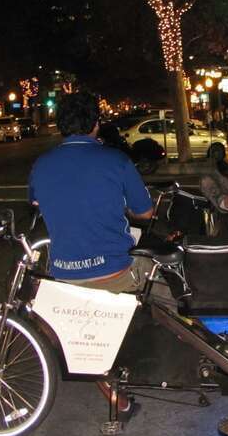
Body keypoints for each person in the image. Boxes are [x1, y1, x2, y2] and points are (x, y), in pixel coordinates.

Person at [29, 90, 153, 414]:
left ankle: (116, 396)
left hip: (66, 276)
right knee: (164, 270)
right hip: (114, 273)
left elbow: (38, 203)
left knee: (75, 340)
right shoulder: (116, 160)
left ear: (60, 126)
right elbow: (145, 212)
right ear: (96, 124)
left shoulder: (41, 165)